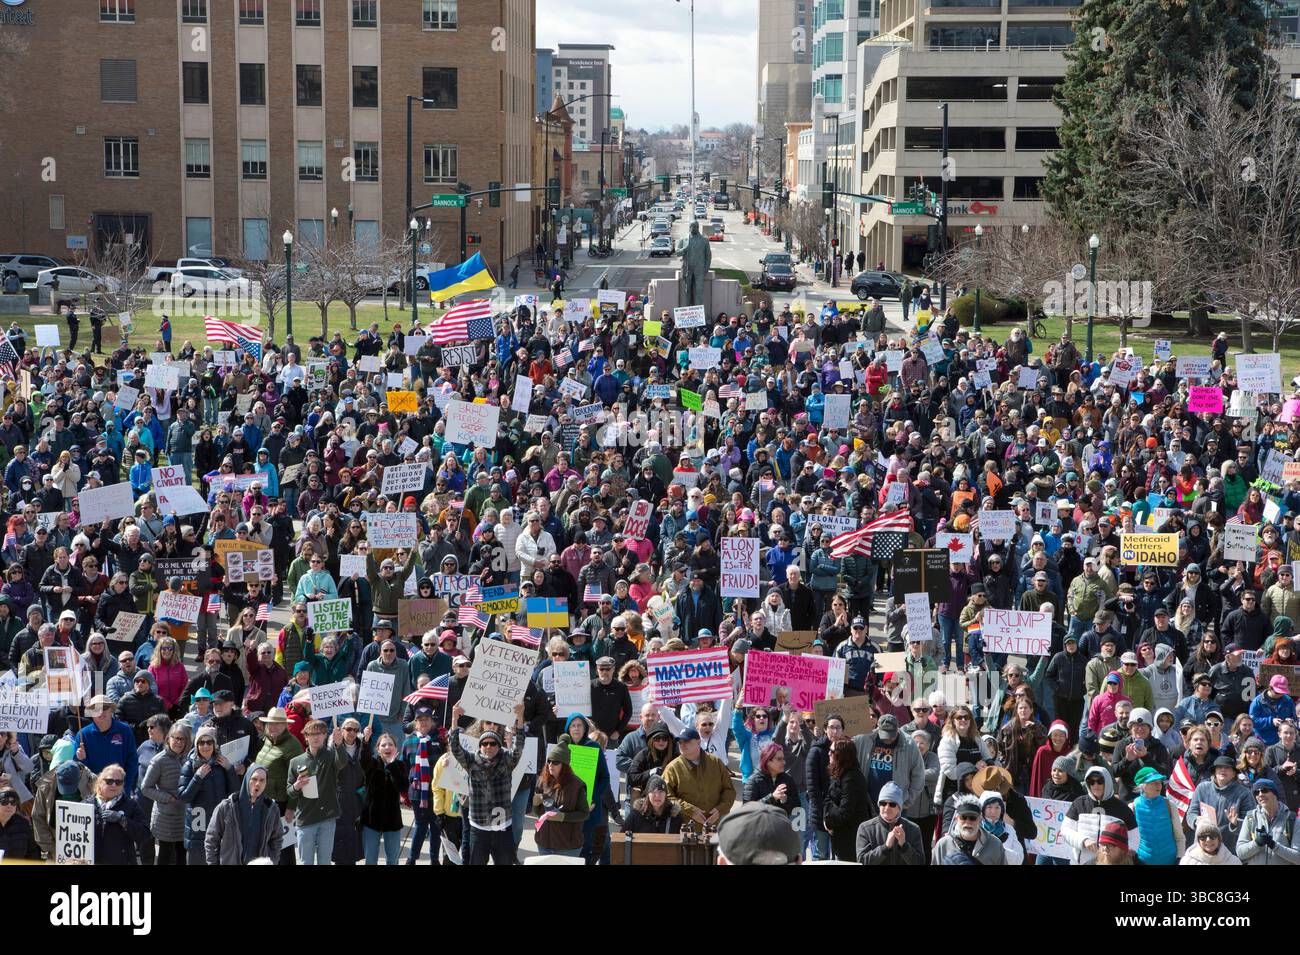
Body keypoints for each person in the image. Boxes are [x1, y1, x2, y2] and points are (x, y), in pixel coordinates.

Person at [448, 701, 526, 865]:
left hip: (502, 827)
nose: (488, 747)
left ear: (499, 746)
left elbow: (519, 744)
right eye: (484, 743)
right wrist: (454, 718)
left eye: (493, 743)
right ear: (480, 745)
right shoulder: (470, 761)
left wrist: (519, 716)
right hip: (478, 828)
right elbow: (455, 747)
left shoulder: (507, 760)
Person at [286, 720, 350, 865]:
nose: (316, 737)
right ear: (306, 737)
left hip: (327, 817)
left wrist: (339, 745)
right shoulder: (295, 762)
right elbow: (290, 791)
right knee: (305, 862)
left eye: (320, 733)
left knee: (324, 861)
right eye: (312, 734)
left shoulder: (331, 755)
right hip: (305, 818)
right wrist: (296, 786)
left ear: (325, 736)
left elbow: (343, 762)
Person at [204, 765, 283, 864]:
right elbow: (211, 840)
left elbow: (277, 839)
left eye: (262, 780)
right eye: (254, 779)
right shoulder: (226, 807)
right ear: (246, 780)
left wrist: (272, 861)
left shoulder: (272, 809)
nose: (258, 784)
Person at [662, 727, 735, 828]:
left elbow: (729, 790)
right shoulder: (672, 768)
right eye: (680, 742)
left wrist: (720, 809)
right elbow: (666, 796)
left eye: (686, 741)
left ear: (698, 742)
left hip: (716, 824)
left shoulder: (715, 762)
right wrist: (690, 810)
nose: (682, 745)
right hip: (685, 826)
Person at [532, 736, 590, 857]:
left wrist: (562, 817)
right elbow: (537, 812)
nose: (550, 765)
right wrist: (535, 803)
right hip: (544, 843)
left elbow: (584, 813)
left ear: (564, 765)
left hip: (567, 847)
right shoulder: (542, 780)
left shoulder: (577, 785)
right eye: (549, 761)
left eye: (555, 762)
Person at [359, 726, 407, 865]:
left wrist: (392, 766)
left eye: (390, 744)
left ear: (396, 748)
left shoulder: (400, 765)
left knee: (393, 860)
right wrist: (365, 742)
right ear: (378, 749)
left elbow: (402, 786)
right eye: (383, 745)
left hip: (392, 821)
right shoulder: (372, 764)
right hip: (371, 820)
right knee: (370, 859)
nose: (387, 747)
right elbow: (363, 759)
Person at [86, 764, 150, 865]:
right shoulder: (86, 804)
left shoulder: (131, 805)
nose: (114, 785)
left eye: (118, 782)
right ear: (100, 782)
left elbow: (145, 834)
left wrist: (123, 820)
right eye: (109, 781)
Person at [855, 781, 925, 865]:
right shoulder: (865, 828)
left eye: (892, 804)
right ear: (879, 805)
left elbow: (920, 862)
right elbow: (862, 861)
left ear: (899, 808)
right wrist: (885, 847)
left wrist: (904, 846)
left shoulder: (913, 829)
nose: (887, 807)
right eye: (883, 803)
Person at [1236, 778, 1300, 865]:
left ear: (1275, 794)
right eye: (1256, 792)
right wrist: (1257, 843)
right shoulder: (1250, 818)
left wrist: (1274, 845)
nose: (1260, 794)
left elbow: (1298, 857)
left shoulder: (1293, 820)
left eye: (1264, 790)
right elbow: (1240, 853)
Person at [933, 794, 1007, 865]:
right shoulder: (944, 844)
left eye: (972, 818)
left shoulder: (995, 844)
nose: (968, 822)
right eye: (964, 817)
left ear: (980, 820)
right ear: (956, 819)